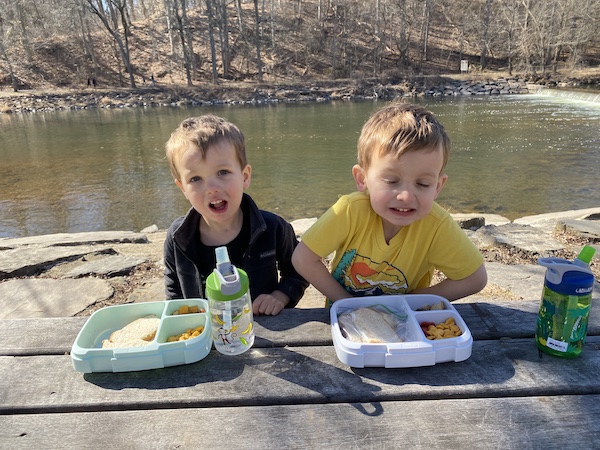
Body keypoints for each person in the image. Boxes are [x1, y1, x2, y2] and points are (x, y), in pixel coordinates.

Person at [292, 102, 487, 305]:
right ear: (362, 178)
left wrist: (407, 302)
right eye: (392, 181)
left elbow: (475, 278)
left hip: (406, 323)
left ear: (438, 186)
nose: (406, 196)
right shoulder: (350, 211)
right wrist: (347, 302)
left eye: (423, 184)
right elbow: (303, 259)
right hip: (344, 321)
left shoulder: (436, 225)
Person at [164, 115, 308, 315]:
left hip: (265, 329)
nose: (212, 188)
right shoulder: (178, 237)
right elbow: (174, 289)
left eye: (222, 172)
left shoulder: (273, 227)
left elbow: (299, 271)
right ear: (183, 189)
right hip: (206, 336)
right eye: (195, 178)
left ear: (245, 176)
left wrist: (279, 297)